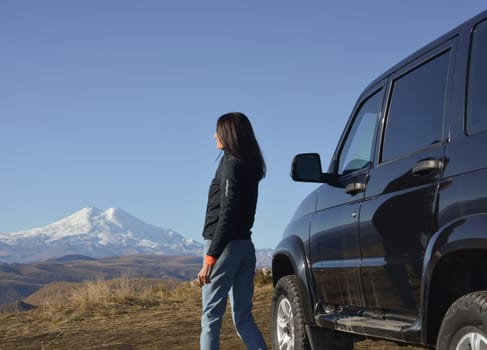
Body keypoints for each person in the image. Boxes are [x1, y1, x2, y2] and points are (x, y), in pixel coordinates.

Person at [198, 112, 268, 350]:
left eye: (218, 130)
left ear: (228, 134)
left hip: (224, 248)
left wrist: (211, 256)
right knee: (244, 319)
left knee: (210, 320)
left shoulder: (231, 164)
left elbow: (226, 212)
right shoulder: (251, 165)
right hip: (245, 247)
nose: (214, 135)